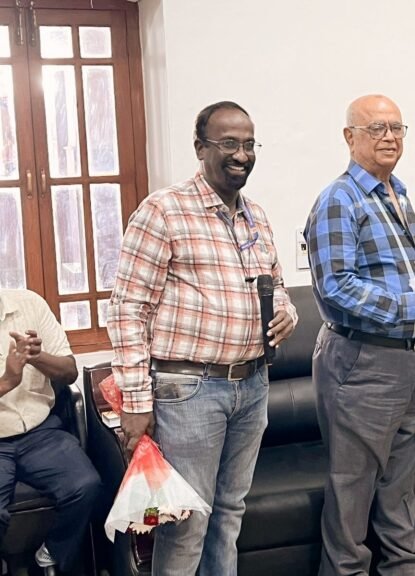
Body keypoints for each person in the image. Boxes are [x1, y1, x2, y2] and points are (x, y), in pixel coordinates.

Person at [107, 101, 297, 576]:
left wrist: (287, 313)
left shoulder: (255, 215)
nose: (242, 154)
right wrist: (135, 400)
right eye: (228, 143)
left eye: (249, 144)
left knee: (230, 515)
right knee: (187, 524)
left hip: (251, 386)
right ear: (200, 148)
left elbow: (277, 287)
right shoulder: (163, 211)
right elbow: (128, 307)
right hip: (188, 390)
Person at [304, 94, 415, 576]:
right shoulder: (340, 198)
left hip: (413, 358)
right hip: (364, 360)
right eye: (376, 129)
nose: (389, 137)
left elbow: (409, 272)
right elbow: (336, 289)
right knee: (352, 484)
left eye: (397, 128)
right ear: (349, 137)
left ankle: (404, 568)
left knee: (398, 478)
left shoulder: (397, 191)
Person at [0, 289, 101, 573]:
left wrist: (36, 356)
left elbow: (69, 372)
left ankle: (52, 555)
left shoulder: (29, 304)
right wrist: (8, 380)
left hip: (40, 432)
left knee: (85, 485)